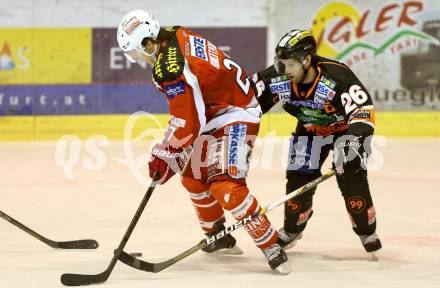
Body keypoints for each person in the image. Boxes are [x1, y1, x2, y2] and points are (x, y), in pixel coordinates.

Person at [116, 10, 291, 274]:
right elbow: (192, 111)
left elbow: (188, 120)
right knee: (193, 177)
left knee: (226, 186)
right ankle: (218, 236)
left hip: (235, 112)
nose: (137, 59)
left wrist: (167, 152)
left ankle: (270, 244)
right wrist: (172, 152)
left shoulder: (169, 68)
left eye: (136, 52)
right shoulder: (173, 32)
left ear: (148, 43)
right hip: (214, 110)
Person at [251, 29, 382, 254]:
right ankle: (292, 229)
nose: (284, 70)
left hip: (345, 132)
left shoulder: (337, 78)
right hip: (310, 131)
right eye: (280, 63)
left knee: (350, 176)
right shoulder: (276, 78)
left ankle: (366, 231)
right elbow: (245, 103)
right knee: (298, 177)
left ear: (307, 59)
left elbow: (362, 113)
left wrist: (351, 144)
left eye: (291, 64)